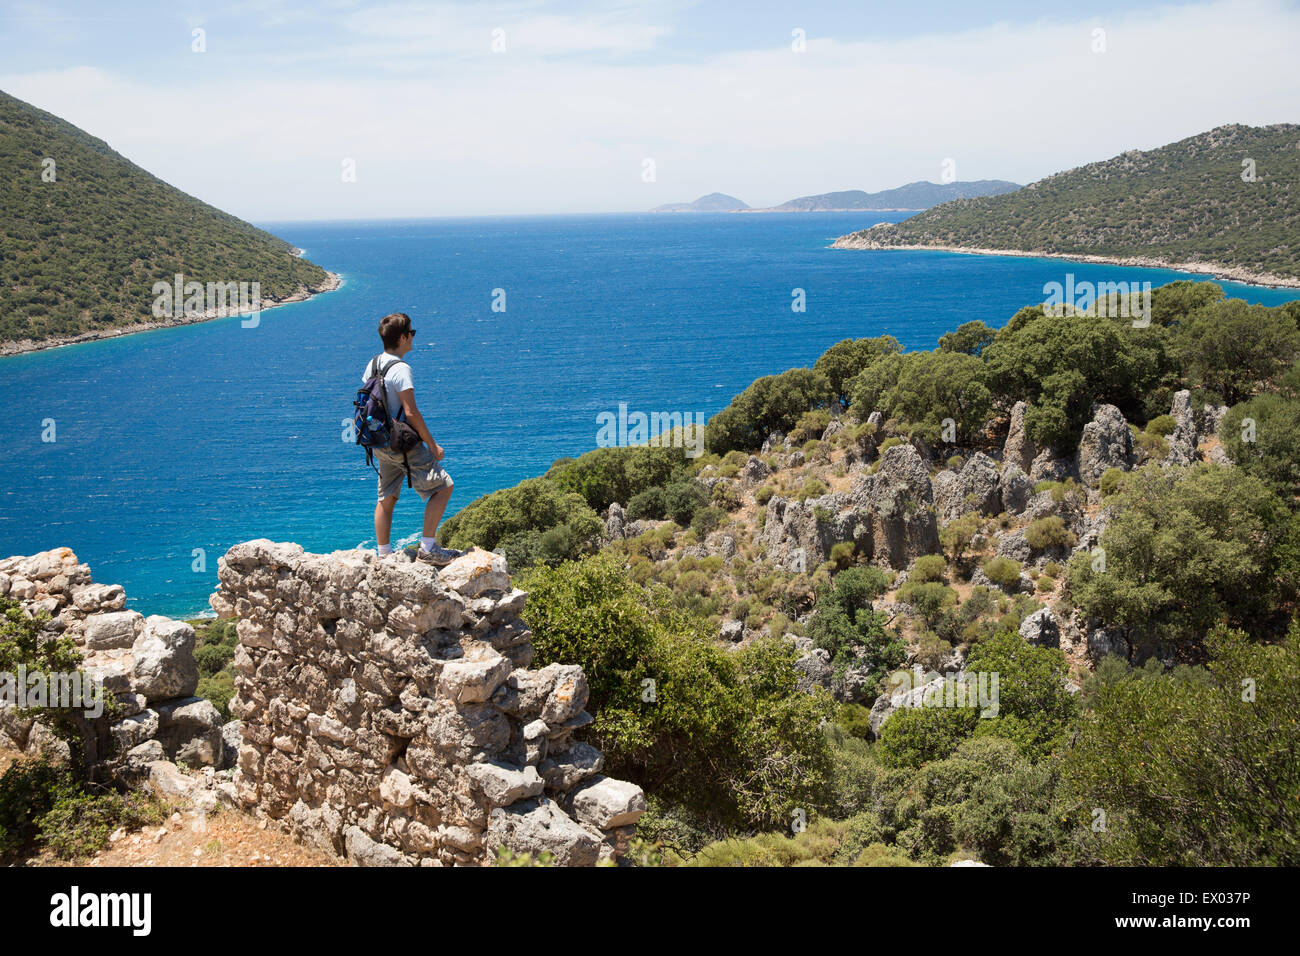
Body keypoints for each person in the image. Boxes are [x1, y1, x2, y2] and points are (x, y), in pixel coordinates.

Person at [362, 312, 463, 566]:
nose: (413, 338)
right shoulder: (402, 369)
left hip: (379, 442)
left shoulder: (373, 364)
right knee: (443, 486)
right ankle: (428, 548)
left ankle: (383, 554)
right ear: (404, 337)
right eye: (412, 333)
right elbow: (410, 412)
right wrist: (432, 444)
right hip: (402, 444)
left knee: (386, 497)